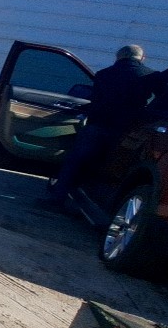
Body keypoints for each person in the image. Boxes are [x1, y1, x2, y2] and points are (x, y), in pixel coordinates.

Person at [42, 45, 153, 207]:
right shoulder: (149, 76)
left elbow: (93, 99)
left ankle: (58, 198)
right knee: (113, 168)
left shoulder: (103, 74)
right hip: (126, 133)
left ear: (118, 57)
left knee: (75, 161)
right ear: (142, 58)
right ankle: (101, 206)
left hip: (97, 126)